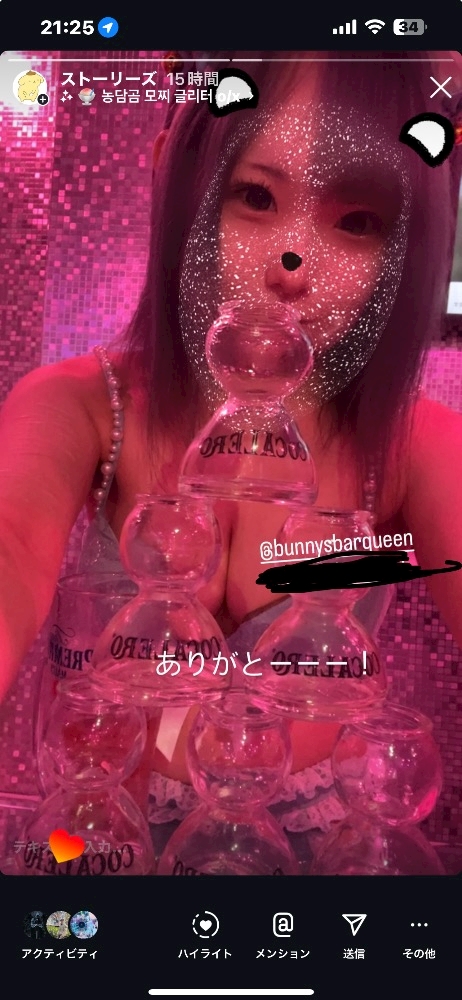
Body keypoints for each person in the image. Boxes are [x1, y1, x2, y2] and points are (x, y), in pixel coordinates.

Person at [1, 51, 461, 838]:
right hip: (96, 841)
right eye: (255, 196)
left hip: (307, 860)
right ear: (175, 180)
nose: (294, 266)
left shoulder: (415, 442)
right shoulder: (83, 403)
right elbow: (9, 543)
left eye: (357, 221)